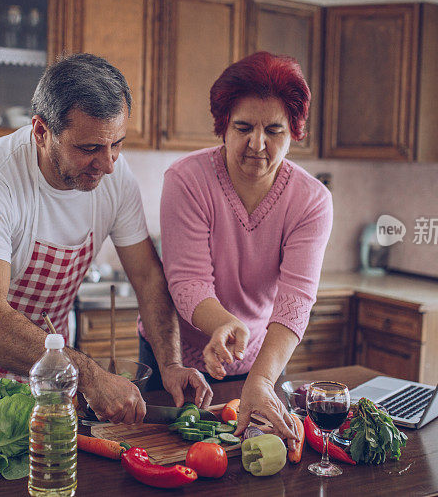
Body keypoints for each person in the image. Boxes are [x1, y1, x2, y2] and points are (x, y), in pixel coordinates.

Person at [0, 53, 211, 422]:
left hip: (47, 352)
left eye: (117, 144)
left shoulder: (114, 175)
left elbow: (147, 276)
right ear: (40, 131)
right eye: (89, 149)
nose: (108, 164)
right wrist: (91, 377)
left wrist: (171, 365)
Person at [142, 51, 333, 444]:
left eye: (275, 130)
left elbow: (295, 302)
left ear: (294, 132)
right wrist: (223, 324)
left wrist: (262, 378)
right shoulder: (187, 180)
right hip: (174, 357)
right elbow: (188, 281)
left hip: (258, 362)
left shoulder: (312, 201)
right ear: (223, 126)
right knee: (164, 452)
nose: (257, 144)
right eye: (243, 126)